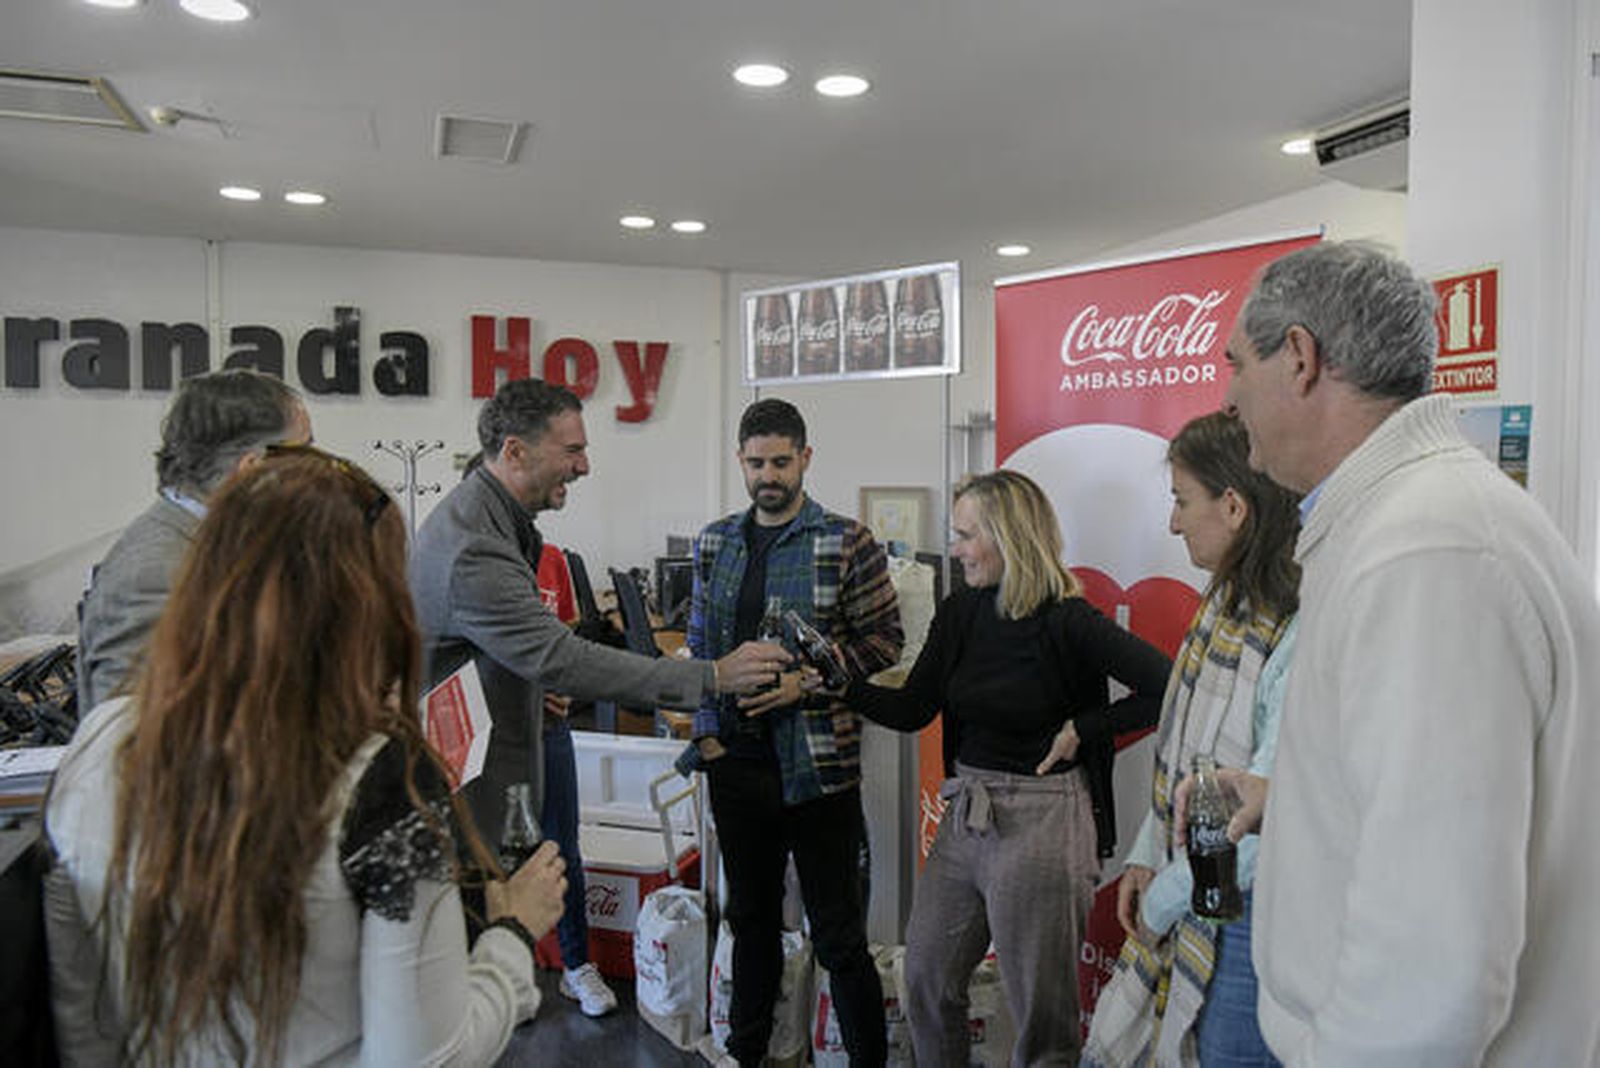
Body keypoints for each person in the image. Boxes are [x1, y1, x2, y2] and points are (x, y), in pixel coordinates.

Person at [44, 446, 568, 1065]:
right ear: (364, 605)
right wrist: (512, 936)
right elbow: (429, 1058)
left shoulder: (98, 744)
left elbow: (79, 1006)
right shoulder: (381, 782)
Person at [1215, 240, 1600, 1065]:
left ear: (1299, 358)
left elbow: (1432, 965)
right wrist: (1299, 798)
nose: (1228, 397)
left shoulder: (1425, 549)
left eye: (1236, 364)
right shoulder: (1411, 523)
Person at [409, 379, 788, 1011]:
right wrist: (712, 677)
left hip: (497, 770)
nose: (584, 466)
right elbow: (562, 657)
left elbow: (515, 654)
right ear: (515, 451)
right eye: (572, 450)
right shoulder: (473, 545)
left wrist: (530, 683)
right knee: (469, 992)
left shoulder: (498, 522)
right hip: (469, 798)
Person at [842, 469, 1170, 1067]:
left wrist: (1084, 728)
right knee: (926, 976)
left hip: (1044, 818)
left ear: (1010, 537)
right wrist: (839, 685)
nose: (956, 549)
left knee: (1041, 1017)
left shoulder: (1069, 620)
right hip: (968, 810)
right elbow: (914, 708)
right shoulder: (961, 612)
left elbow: (1167, 685)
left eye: (967, 536)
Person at [688, 398, 903, 1068]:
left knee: (838, 935)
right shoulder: (715, 542)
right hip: (736, 764)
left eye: (781, 462)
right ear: (740, 461)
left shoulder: (846, 541)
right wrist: (708, 738)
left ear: (805, 458)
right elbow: (700, 648)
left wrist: (807, 681)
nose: (769, 476)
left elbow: (885, 641)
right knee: (748, 923)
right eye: (756, 463)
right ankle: (745, 1054)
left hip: (818, 767)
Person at [1083, 411, 1299, 1068]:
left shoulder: (1296, 629)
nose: (1173, 522)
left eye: (1182, 500)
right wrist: (1147, 856)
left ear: (1233, 506)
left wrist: (1167, 898)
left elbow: (1270, 810)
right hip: (1197, 887)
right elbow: (1182, 753)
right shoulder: (1224, 606)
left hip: (1249, 916)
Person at [76, 368, 311, 712]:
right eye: (306, 454)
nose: (316, 472)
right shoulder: (154, 574)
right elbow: (132, 734)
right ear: (252, 469)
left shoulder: (216, 545)